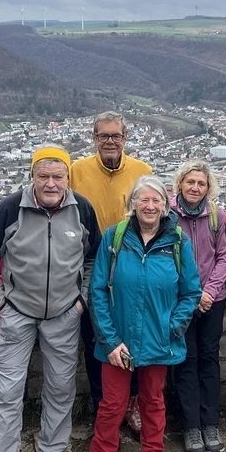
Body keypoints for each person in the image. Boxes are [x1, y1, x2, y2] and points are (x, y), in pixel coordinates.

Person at [0, 146, 101, 452]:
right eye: (43, 175)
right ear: (32, 176)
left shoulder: (82, 210)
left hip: (64, 314)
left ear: (68, 178)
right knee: (9, 393)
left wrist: (81, 300)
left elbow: (94, 261)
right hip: (17, 313)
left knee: (61, 389)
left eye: (58, 176)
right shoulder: (10, 208)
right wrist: (0, 302)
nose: (51, 183)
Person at [87, 176, 202, 452]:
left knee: (152, 400)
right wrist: (110, 341)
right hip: (118, 340)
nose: (150, 206)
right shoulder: (115, 238)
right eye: (144, 200)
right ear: (133, 205)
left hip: (158, 339)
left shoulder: (177, 242)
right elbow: (97, 290)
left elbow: (191, 292)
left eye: (157, 201)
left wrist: (172, 328)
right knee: (112, 404)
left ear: (165, 206)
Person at [70, 111, 153, 435]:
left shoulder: (141, 171)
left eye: (115, 135)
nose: (109, 141)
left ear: (125, 138)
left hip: (132, 268)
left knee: (132, 338)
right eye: (103, 135)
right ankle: (105, 408)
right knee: (96, 342)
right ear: (94, 138)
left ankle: (132, 405)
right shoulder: (78, 171)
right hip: (91, 266)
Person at [168, 161, 226, 452]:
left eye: (201, 184)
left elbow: (225, 257)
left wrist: (208, 291)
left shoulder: (216, 216)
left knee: (209, 359)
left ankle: (210, 423)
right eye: (190, 182)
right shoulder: (166, 216)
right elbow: (163, 259)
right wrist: (191, 295)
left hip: (213, 299)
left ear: (209, 188)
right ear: (180, 183)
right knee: (185, 361)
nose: (195, 188)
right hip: (180, 300)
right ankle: (190, 425)